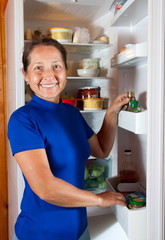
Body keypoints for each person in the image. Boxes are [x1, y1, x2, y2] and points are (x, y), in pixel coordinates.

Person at [8, 38, 129, 240]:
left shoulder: (72, 113)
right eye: (38, 68)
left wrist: (112, 112)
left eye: (56, 66)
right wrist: (98, 200)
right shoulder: (22, 120)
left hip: (80, 230)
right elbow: (45, 188)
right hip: (40, 233)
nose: (49, 75)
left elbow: (100, 150)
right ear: (25, 74)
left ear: (65, 71)